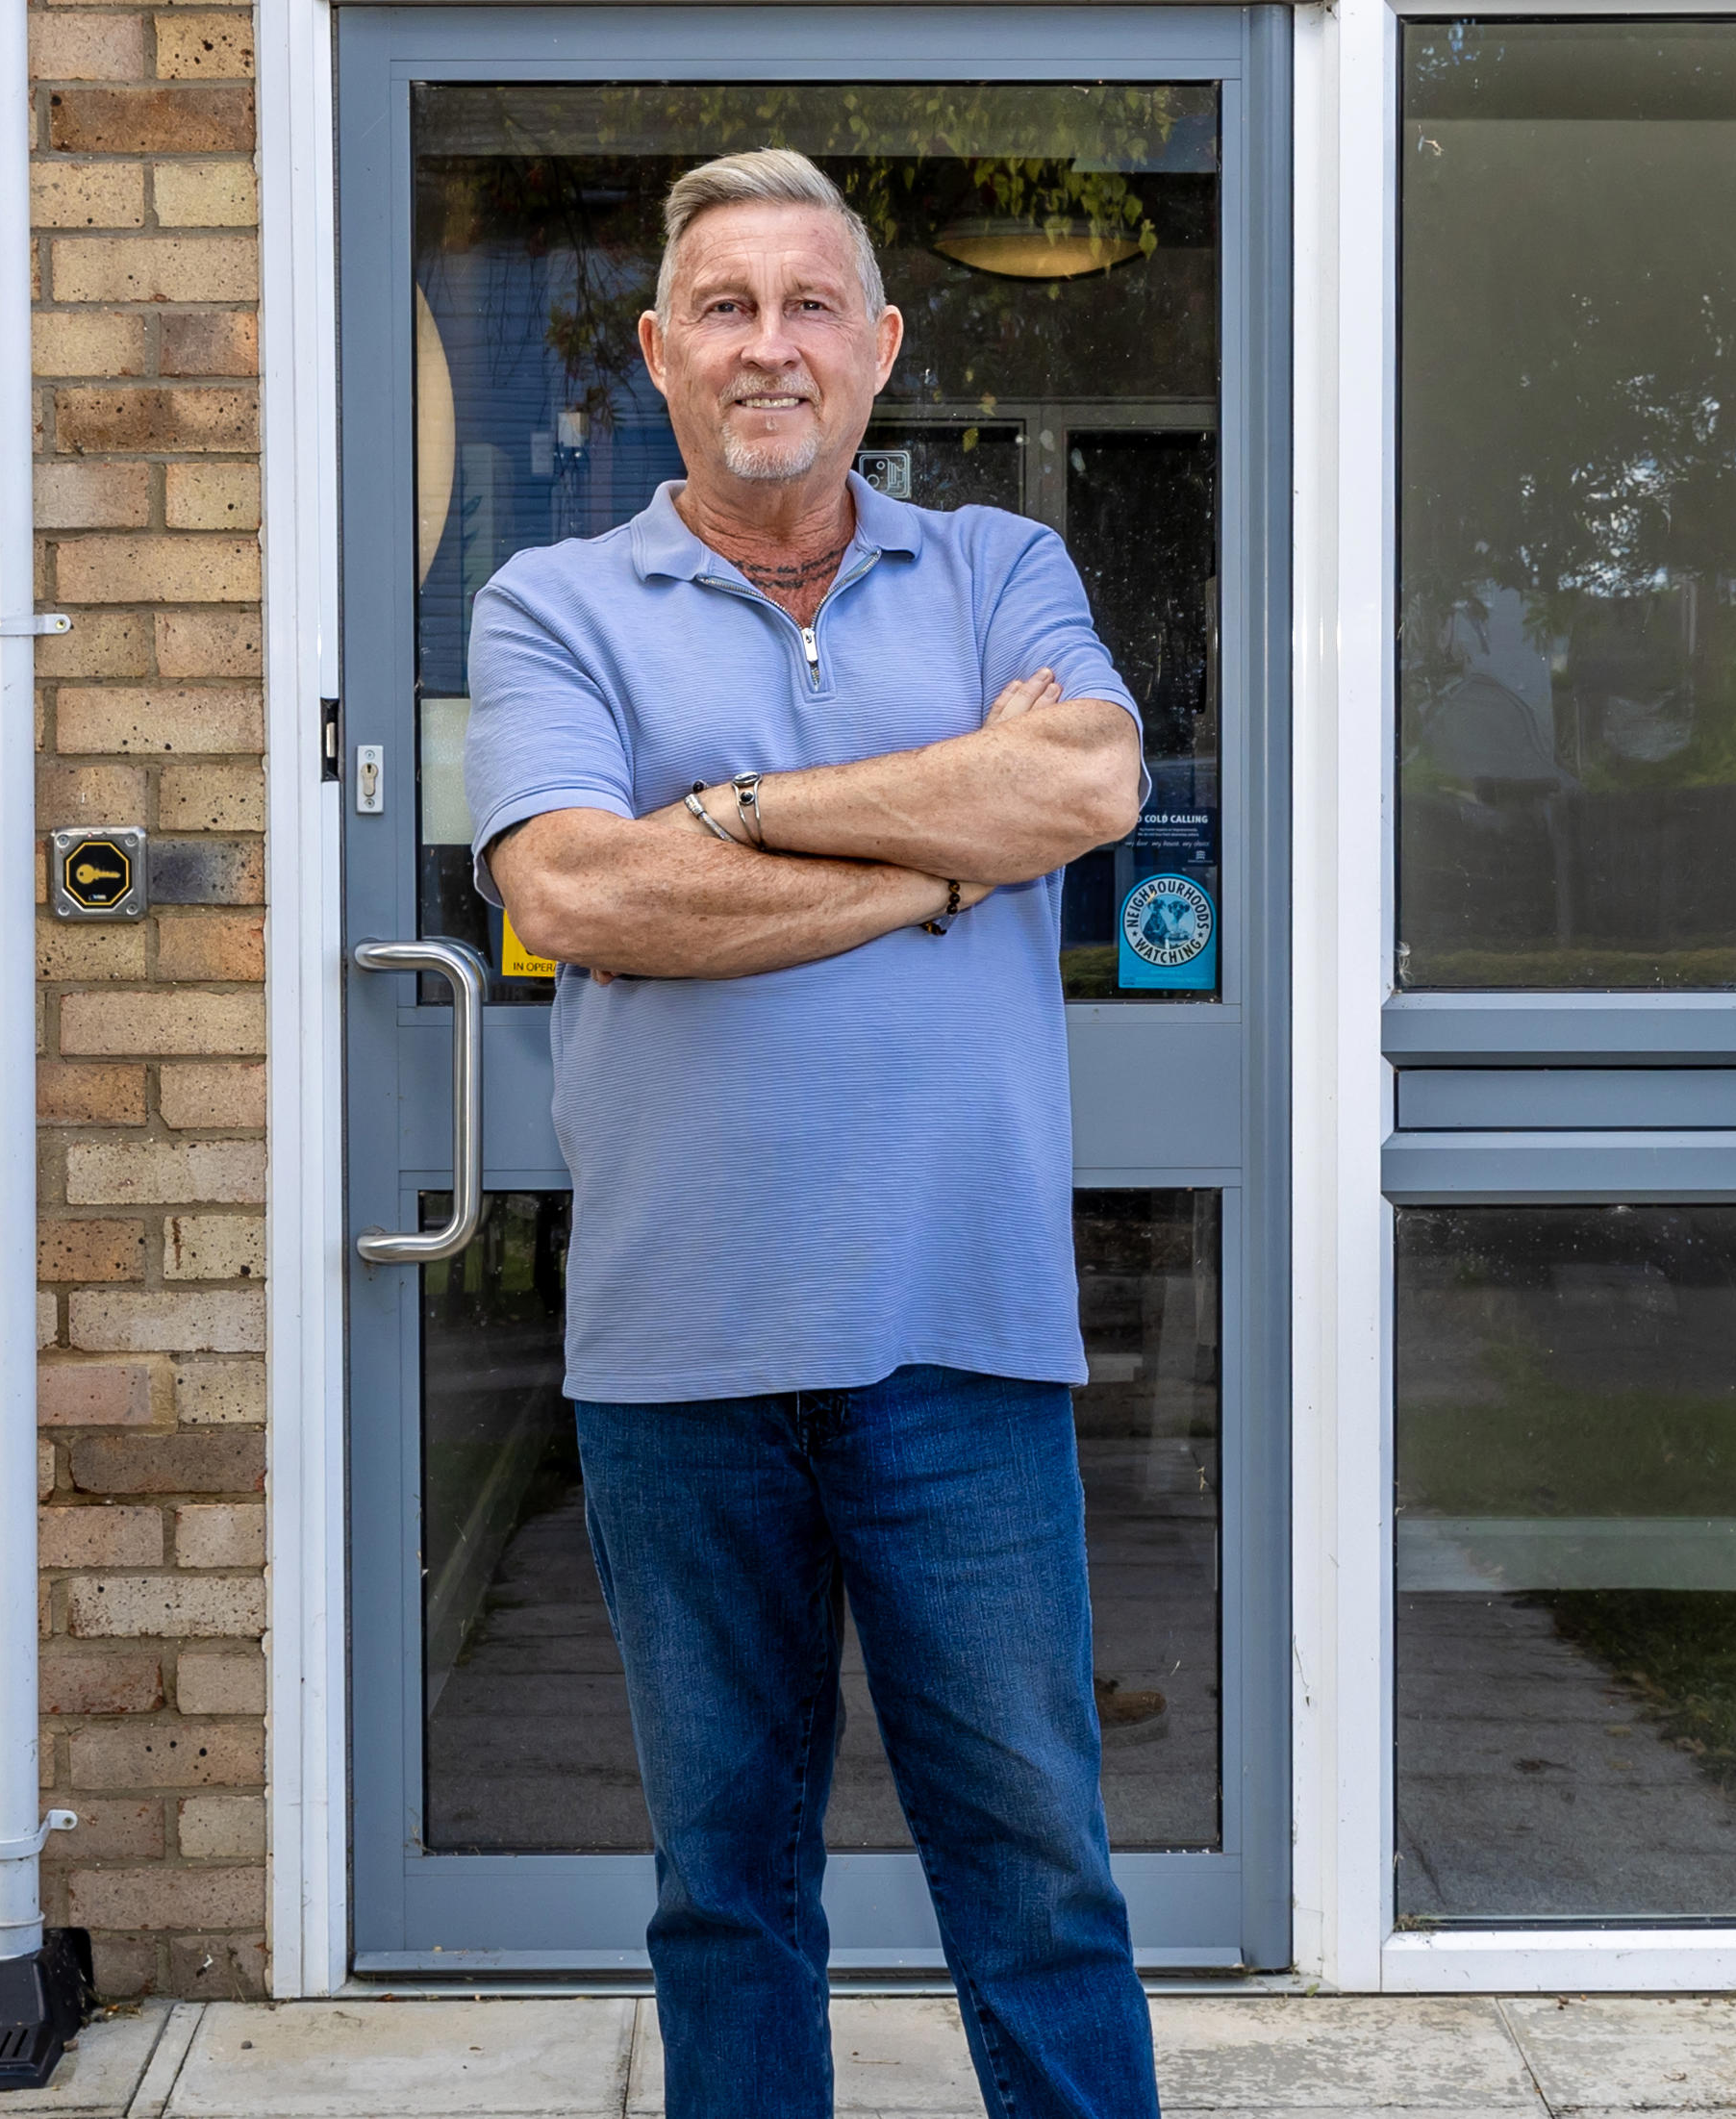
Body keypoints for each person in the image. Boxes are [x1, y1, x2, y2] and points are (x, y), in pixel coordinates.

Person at [460, 147, 1162, 2119]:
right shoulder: (551, 600)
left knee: (1034, 1876)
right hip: (680, 1351)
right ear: (658, 350)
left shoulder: (999, 565)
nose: (767, 343)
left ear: (878, 346)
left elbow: (1085, 782)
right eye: (724, 307)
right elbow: (582, 896)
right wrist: (941, 858)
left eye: (806, 304)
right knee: (726, 1888)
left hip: (964, 1334)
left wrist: (745, 808)